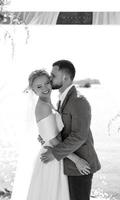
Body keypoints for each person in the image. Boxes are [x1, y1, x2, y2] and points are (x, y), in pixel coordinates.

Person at [11, 69, 91, 200]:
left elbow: (48, 132)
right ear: (33, 90)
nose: (45, 88)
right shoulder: (43, 106)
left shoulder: (49, 102)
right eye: (39, 86)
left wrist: (44, 138)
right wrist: (77, 160)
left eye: (47, 83)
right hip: (52, 158)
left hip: (56, 154)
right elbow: (53, 141)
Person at [41, 60, 101, 200]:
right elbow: (63, 129)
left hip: (81, 165)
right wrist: (47, 136)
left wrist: (54, 153)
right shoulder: (62, 99)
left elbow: (79, 136)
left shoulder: (78, 100)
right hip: (70, 162)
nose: (50, 78)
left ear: (65, 78)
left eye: (53, 75)